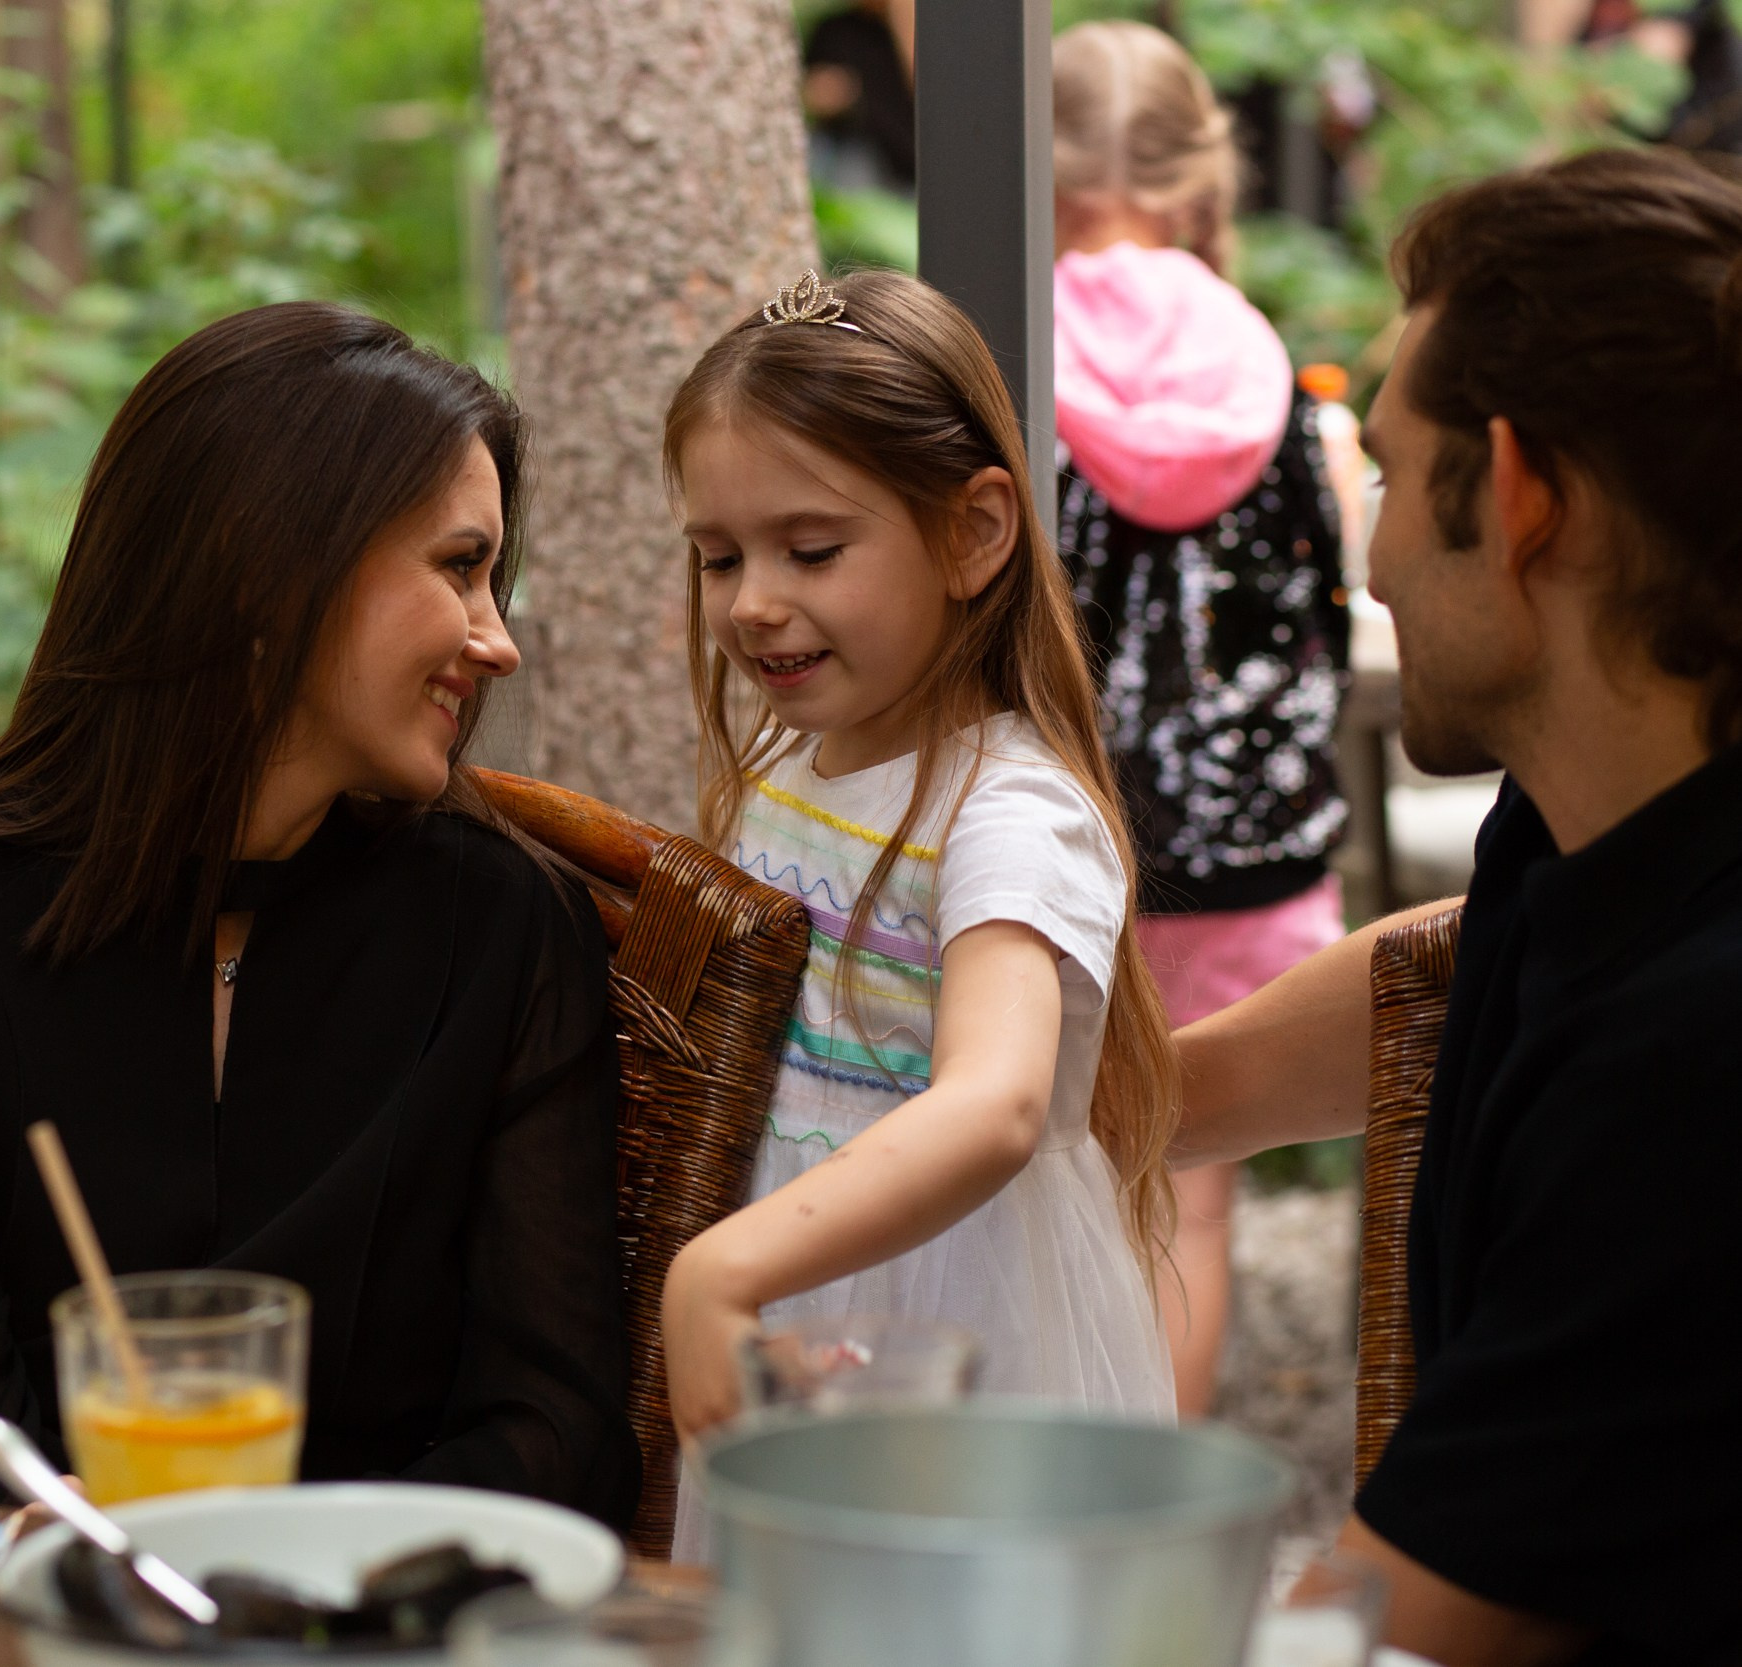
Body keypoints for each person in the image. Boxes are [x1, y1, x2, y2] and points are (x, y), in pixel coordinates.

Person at [0, 301, 642, 1525]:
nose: (494, 638)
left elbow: (555, 1426)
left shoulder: (504, 927)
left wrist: (289, 1580)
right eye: (460, 566)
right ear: (265, 561)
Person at [1174, 147, 1742, 1663]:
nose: (1366, 561)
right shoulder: (1601, 809)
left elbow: (1372, 1629)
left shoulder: (1692, 1073)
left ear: (1516, 495)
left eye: (1380, 474)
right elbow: (1452, 960)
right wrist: (1141, 1099)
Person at [658, 270, 1181, 1548]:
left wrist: (722, 1266)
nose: (752, 601)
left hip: (960, 1330)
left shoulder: (1008, 807)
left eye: (811, 548)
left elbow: (995, 1101)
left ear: (974, 531)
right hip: (802, 1305)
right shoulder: (782, 773)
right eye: (720, 557)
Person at [1049, 20, 1351, 1419]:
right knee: (1195, 1196)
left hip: (1072, 836)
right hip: (1257, 843)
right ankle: (1155, 1475)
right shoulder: (1260, 358)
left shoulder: (1015, 343)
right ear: (1192, 174)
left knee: (1052, 1173)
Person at [802, 0, 917, 193]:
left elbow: (932, 96)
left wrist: (904, 16)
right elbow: (809, 94)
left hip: (912, 162)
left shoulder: (924, 29)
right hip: (860, 159)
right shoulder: (834, 31)